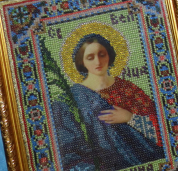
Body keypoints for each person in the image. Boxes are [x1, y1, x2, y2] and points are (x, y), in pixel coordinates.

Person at [52, 33, 165, 171]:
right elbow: (67, 148)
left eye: (102, 55)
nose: (98, 62)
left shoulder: (127, 89)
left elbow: (162, 128)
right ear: (82, 61)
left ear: (109, 56)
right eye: (90, 57)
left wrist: (130, 118)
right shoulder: (69, 99)